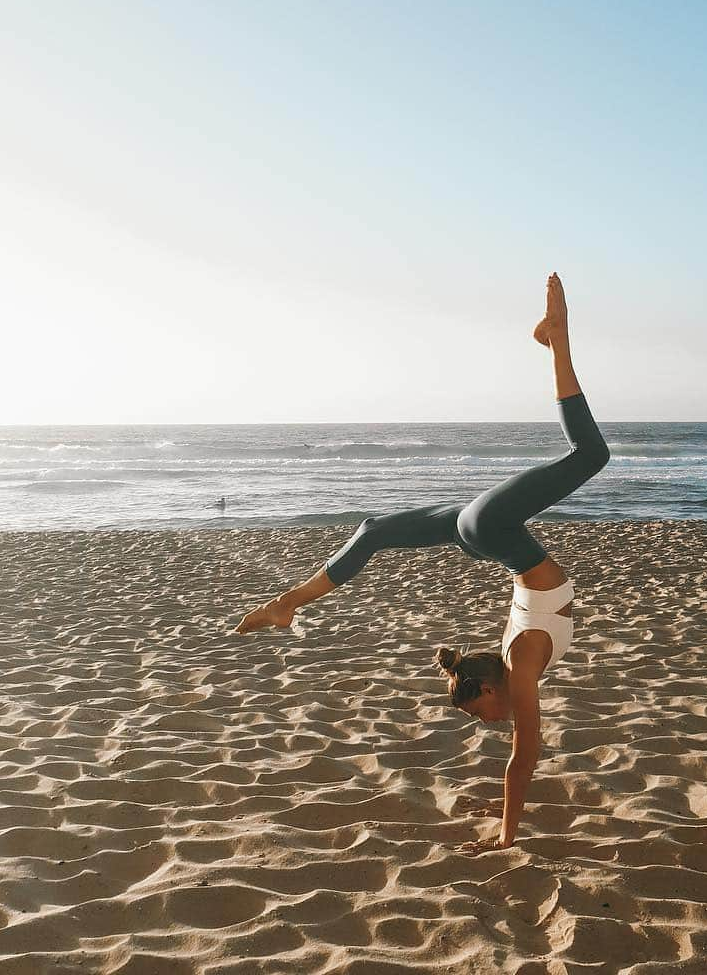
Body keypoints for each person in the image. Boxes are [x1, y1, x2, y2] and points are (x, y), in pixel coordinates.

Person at [234, 272, 610, 854]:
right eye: (483, 715)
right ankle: (556, 339)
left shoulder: (519, 663)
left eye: (480, 713)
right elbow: (522, 761)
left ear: (487, 684)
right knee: (378, 530)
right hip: (482, 532)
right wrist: (504, 820)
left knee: (377, 530)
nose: (487, 722)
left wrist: (505, 834)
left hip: (486, 532)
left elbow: (521, 761)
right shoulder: (520, 665)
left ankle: (288, 604)